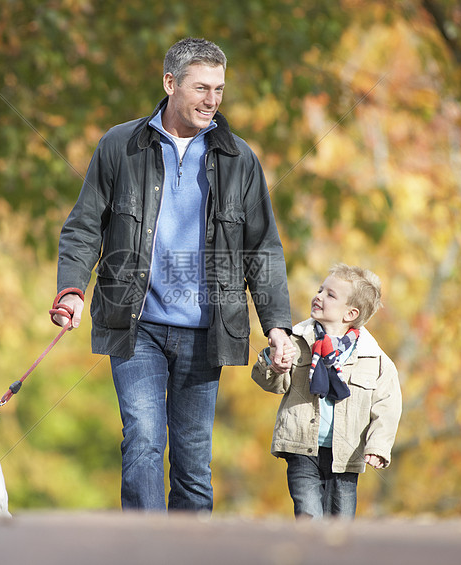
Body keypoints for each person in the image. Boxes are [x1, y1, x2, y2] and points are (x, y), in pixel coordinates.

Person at [52, 37, 294, 512]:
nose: (213, 100)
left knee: (193, 464)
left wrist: (277, 325)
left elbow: (261, 246)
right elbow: (84, 225)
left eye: (220, 89)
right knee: (142, 440)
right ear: (170, 84)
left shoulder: (238, 158)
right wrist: (72, 290)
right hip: (134, 322)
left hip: (207, 331)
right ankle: (144, 551)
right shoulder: (121, 145)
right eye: (202, 88)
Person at [252, 263, 402, 519]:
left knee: (340, 519)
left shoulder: (373, 358)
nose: (318, 296)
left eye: (330, 295)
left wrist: (378, 446)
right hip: (301, 447)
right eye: (320, 289)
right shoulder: (296, 341)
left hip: (345, 455)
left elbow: (388, 405)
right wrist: (273, 363)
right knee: (308, 513)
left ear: (350, 313)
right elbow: (274, 384)